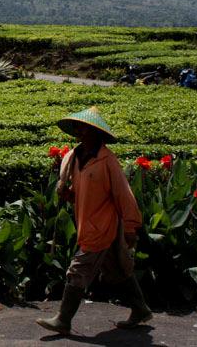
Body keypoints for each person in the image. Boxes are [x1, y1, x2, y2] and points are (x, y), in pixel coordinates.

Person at [36, 106, 152, 335]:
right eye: (77, 128)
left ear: (94, 132)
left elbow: (123, 194)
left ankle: (63, 319)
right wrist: (69, 195)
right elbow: (86, 193)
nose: (78, 131)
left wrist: (130, 227)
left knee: (77, 270)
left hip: (102, 226)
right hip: (87, 223)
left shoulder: (107, 161)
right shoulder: (75, 158)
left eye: (83, 128)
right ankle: (140, 309)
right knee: (118, 268)